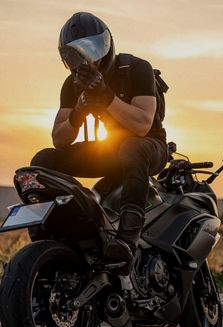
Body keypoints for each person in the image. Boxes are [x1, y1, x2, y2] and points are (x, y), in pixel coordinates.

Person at [31, 12, 168, 275]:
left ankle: (126, 241)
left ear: (107, 45)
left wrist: (105, 97)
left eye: (92, 49)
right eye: (74, 54)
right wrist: (78, 111)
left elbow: (142, 124)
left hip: (150, 147)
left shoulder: (137, 69)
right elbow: (59, 139)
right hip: (109, 151)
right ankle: (50, 235)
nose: (86, 59)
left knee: (132, 146)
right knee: (42, 160)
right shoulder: (72, 85)